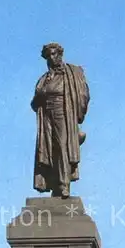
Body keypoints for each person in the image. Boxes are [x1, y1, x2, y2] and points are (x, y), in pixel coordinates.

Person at [31, 43, 90, 198]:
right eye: (48, 56)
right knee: (49, 150)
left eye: (54, 54)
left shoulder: (72, 72)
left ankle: (64, 185)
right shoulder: (44, 79)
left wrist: (77, 116)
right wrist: (40, 96)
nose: (52, 58)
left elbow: (84, 94)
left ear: (60, 54)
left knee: (62, 147)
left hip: (63, 112)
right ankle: (55, 184)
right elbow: (34, 104)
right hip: (46, 116)